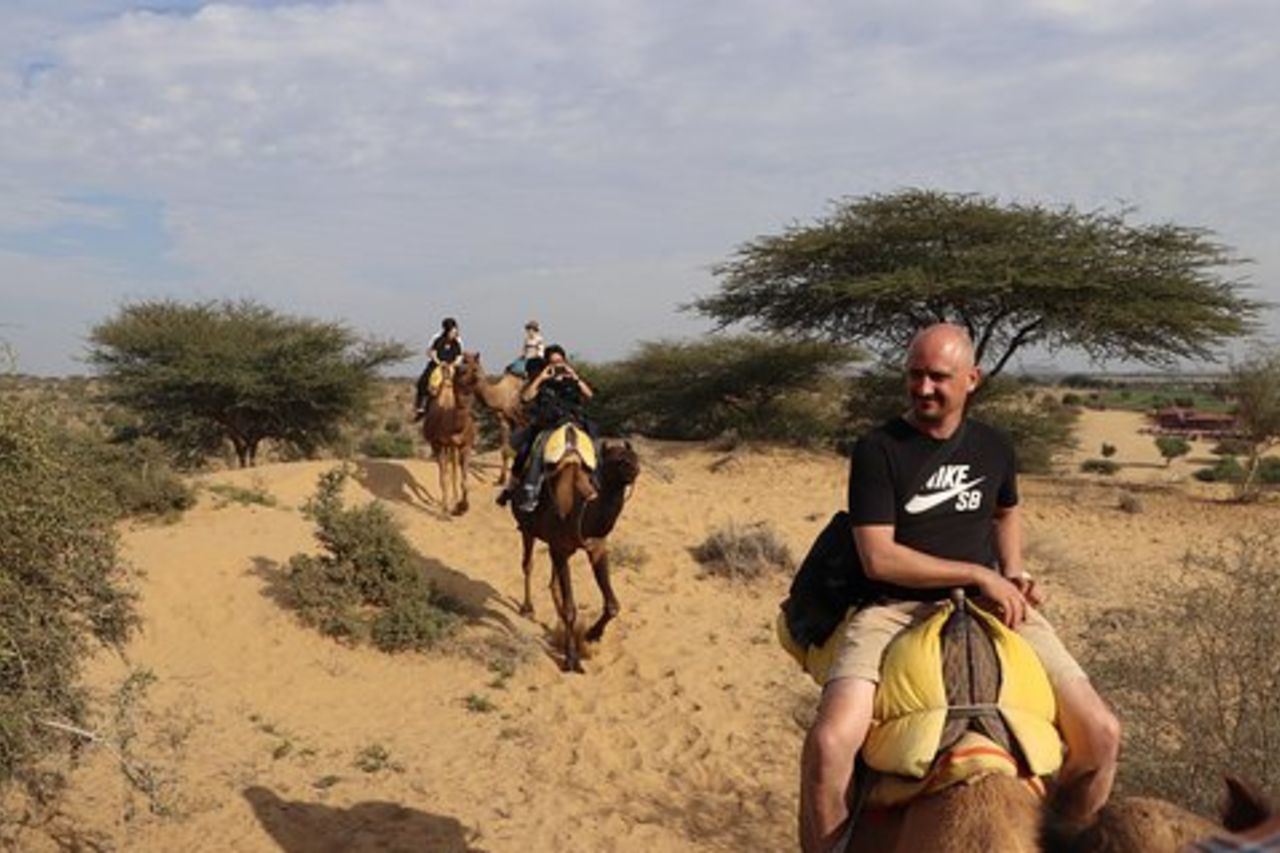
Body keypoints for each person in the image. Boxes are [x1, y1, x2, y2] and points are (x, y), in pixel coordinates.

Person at [798, 323, 1121, 853]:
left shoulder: (993, 446)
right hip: (894, 609)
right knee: (830, 744)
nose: (924, 388)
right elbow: (879, 557)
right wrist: (976, 573)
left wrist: (1013, 572)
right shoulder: (878, 449)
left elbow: (1006, 510)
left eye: (938, 377)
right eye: (915, 375)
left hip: (991, 607)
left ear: (972, 379)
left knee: (1103, 734)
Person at [497, 344, 595, 510]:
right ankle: (530, 491)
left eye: (560, 361)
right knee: (537, 448)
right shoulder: (542, 382)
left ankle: (598, 484)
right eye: (553, 362)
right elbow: (527, 397)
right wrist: (542, 377)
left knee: (595, 447)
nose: (558, 364)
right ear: (548, 363)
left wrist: (575, 378)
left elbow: (589, 395)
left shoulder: (572, 381)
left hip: (574, 422)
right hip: (550, 425)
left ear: (565, 361)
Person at [413, 317, 464, 420]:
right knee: (423, 381)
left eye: (456, 330)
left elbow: (460, 356)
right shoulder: (437, 338)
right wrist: (440, 363)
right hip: (437, 364)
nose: (455, 333)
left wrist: (453, 364)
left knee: (465, 382)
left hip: (452, 366)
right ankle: (421, 407)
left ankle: (465, 407)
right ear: (447, 330)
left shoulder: (458, 341)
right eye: (453, 331)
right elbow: (431, 352)